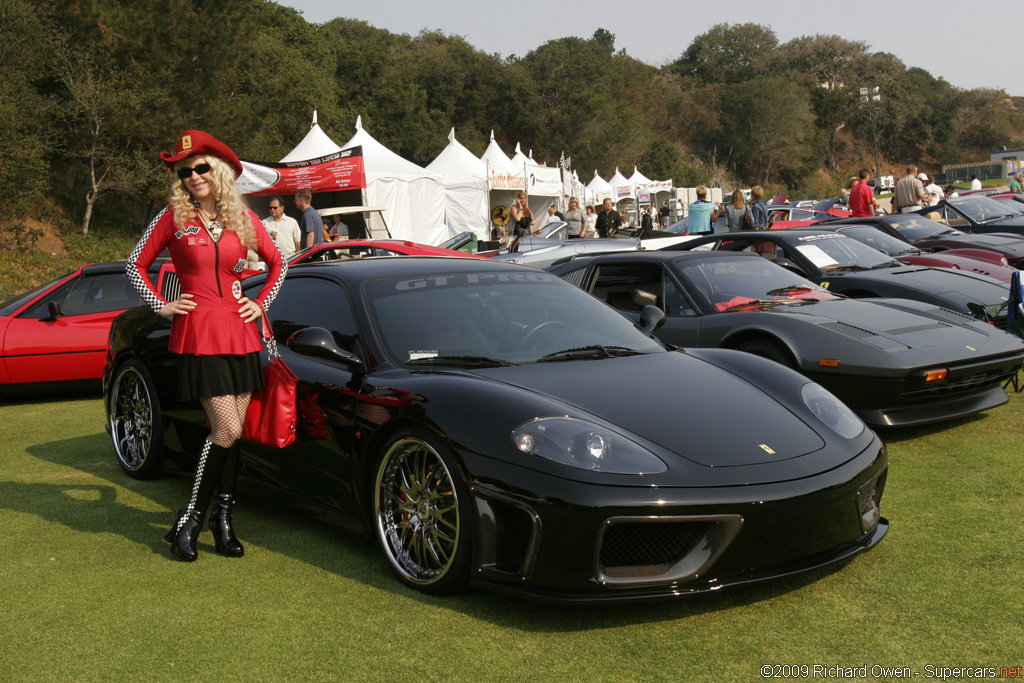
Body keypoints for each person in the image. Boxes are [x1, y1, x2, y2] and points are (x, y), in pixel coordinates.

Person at [126, 130, 286, 562]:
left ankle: (223, 521)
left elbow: (280, 263)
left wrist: (260, 302)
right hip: (198, 334)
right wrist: (161, 306)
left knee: (232, 437)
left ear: (217, 172)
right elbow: (134, 264)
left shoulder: (243, 220)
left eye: (199, 168)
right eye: (183, 173)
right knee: (228, 429)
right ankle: (190, 518)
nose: (192, 177)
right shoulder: (172, 218)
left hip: (242, 333)